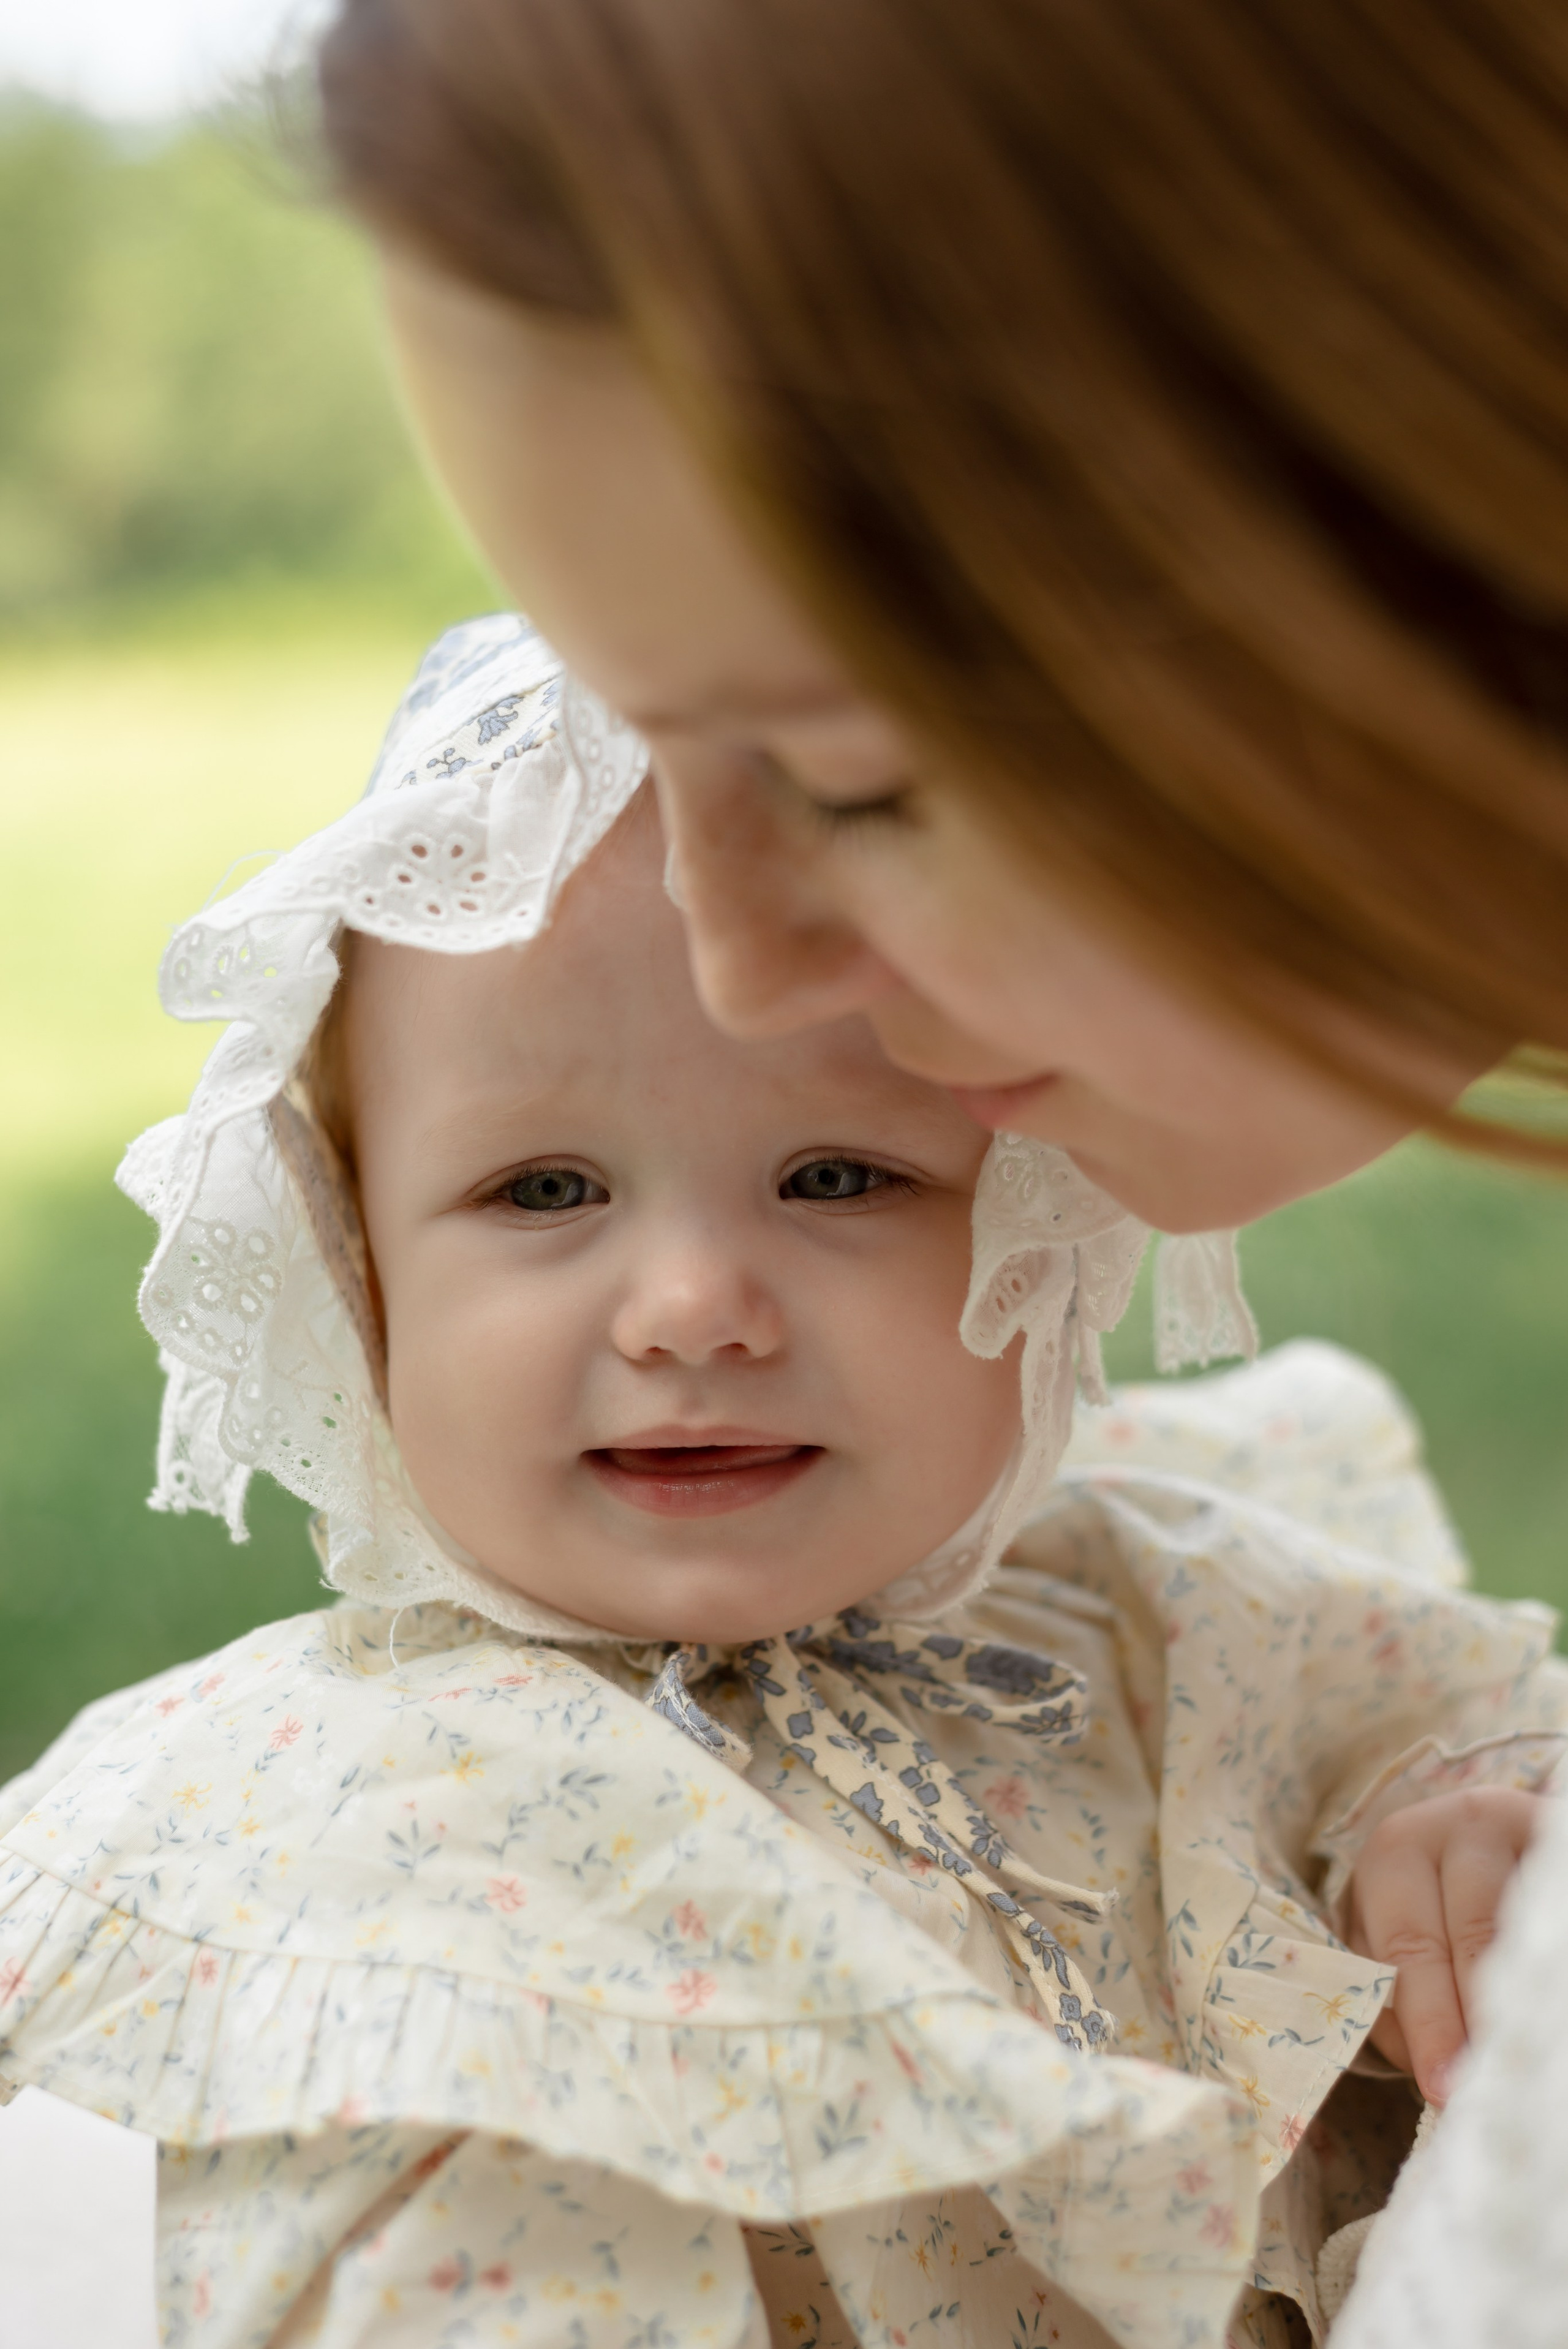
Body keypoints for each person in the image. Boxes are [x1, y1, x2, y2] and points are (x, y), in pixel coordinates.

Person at [308, 11, 1568, 2338]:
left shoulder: (1201, 1616)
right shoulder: (304, 1800)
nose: (749, 959)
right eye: (541, 1192)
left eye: (855, 777)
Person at [0, 619, 1562, 2348]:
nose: (691, 1310)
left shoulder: (1153, 1602)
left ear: (1037, 1226)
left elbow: (1441, 1720)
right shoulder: (332, 1811)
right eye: (541, 1191)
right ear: (355, 1271)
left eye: (835, 1174)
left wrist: (1447, 1829)